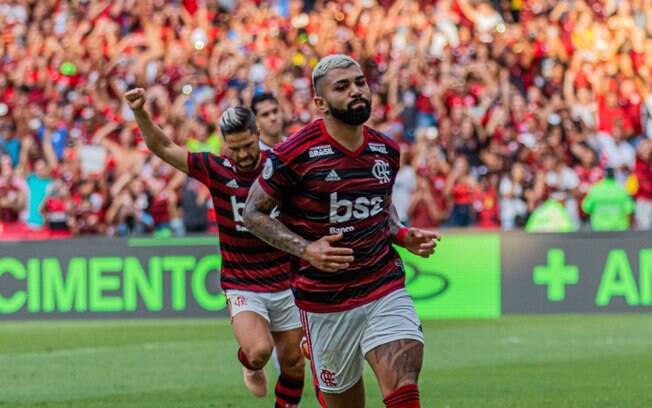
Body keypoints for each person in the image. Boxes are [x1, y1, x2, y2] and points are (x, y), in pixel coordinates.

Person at [243, 54, 440, 408]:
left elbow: (382, 206)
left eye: (360, 83)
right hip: (324, 304)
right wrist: (306, 249)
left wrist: (401, 234)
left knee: (403, 384)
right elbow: (253, 213)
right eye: (343, 86)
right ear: (321, 103)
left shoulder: (386, 150)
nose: (356, 91)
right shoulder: (295, 154)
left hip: (383, 286)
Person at [124, 89, 306, 407]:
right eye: (235, 149)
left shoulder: (280, 168)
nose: (243, 155)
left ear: (257, 134)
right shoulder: (216, 168)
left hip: (284, 280)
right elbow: (162, 146)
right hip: (242, 283)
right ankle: (248, 364)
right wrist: (141, 112)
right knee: (259, 351)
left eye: (248, 146)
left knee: (293, 363)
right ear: (225, 144)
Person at [582, 167, 635, 231]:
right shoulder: (621, 189)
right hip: (619, 229)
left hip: (599, 228)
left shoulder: (595, 189)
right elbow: (629, 210)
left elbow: (586, 208)